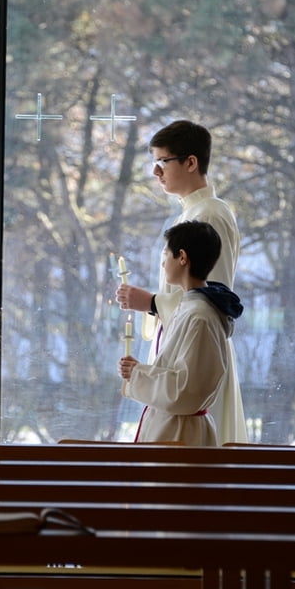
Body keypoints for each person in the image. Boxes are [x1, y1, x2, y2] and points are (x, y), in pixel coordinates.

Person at [114, 120, 247, 444]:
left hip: (197, 358)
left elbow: (213, 297)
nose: (155, 172)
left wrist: (152, 302)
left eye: (163, 161)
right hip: (181, 349)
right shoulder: (191, 213)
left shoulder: (209, 215)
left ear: (191, 162)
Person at [117, 220, 243, 446]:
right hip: (173, 428)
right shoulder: (190, 307)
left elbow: (186, 390)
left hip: (181, 435)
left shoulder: (200, 316)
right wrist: (139, 371)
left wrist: (138, 374)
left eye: (166, 254)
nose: (163, 263)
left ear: (182, 257)